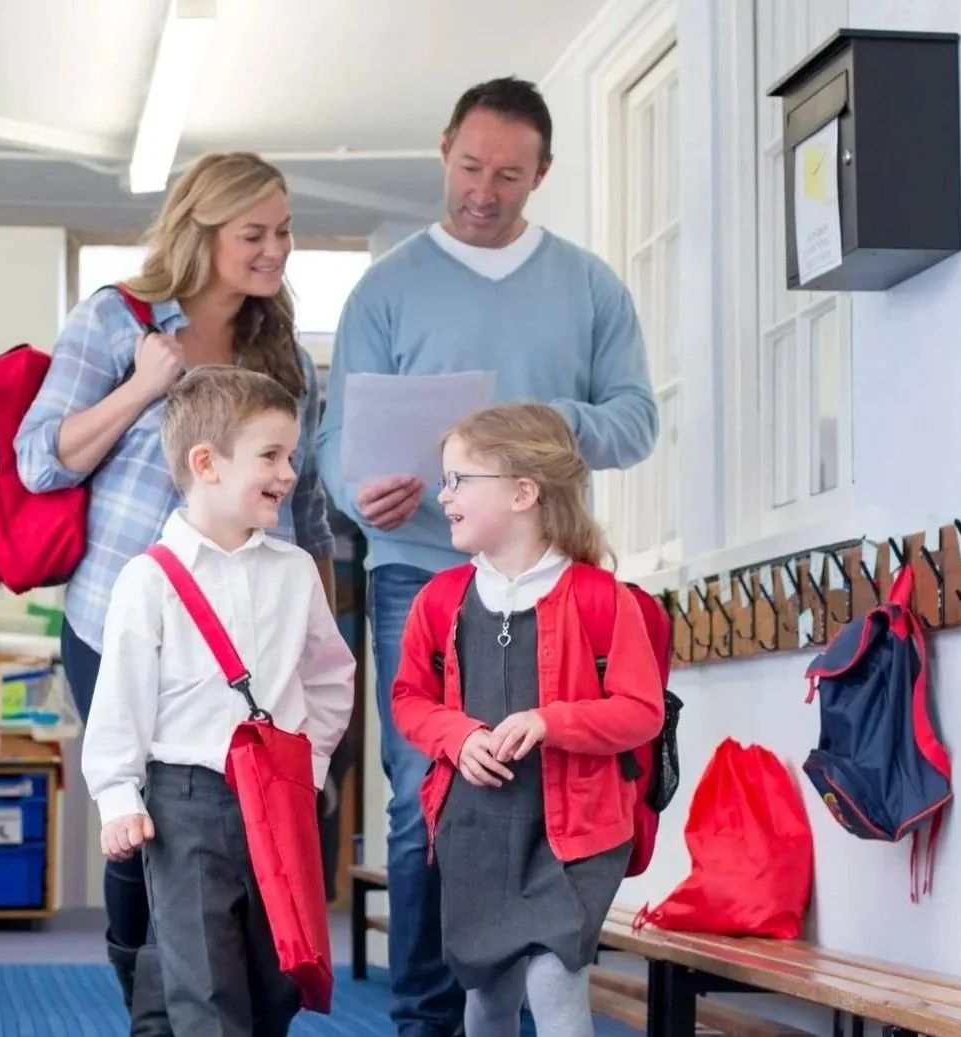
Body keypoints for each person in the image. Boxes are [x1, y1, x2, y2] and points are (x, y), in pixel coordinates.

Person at [314, 77, 659, 1034]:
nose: (483, 189)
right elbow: (339, 439)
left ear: (540, 174)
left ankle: (535, 975)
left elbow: (636, 421)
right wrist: (359, 493)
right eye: (469, 167)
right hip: (417, 563)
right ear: (443, 152)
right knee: (426, 792)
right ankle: (427, 1016)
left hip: (547, 573)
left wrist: (540, 426)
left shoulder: (588, 286)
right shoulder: (387, 289)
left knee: (547, 783)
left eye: (508, 174)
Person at [14, 152, 337, 1033]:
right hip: (122, 604)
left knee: (236, 827)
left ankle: (202, 999)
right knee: (145, 816)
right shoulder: (117, 320)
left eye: (283, 231)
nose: (275, 250)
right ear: (201, 234)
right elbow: (39, 458)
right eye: (253, 234)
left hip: (246, 624)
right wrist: (143, 387)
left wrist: (317, 620)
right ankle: (147, 999)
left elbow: (302, 503)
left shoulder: (280, 349)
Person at [82, 366, 356, 1037]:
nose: (288, 472)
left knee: (276, 974)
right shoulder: (149, 579)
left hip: (280, 796)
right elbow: (119, 697)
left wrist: (309, 762)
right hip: (187, 799)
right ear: (205, 463)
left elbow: (328, 674)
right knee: (203, 975)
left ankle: (157, 1020)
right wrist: (118, 796)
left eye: (290, 455)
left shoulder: (293, 570)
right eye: (270, 455)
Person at [390, 404, 663, 1037]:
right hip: (476, 831)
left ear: (523, 492)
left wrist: (551, 721)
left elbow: (641, 712)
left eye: (460, 480)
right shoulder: (439, 599)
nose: (443, 494)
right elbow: (409, 699)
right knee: (488, 998)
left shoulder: (603, 600)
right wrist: (458, 739)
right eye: (445, 479)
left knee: (554, 982)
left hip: (575, 834)